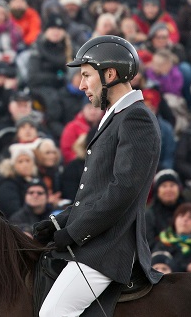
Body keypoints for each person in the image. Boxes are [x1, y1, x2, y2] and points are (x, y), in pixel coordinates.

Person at [34, 35, 162, 317]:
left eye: (86, 75)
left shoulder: (135, 118)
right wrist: (58, 222)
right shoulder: (114, 115)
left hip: (109, 248)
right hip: (96, 241)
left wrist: (75, 232)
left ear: (110, 74)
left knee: (54, 314)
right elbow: (94, 192)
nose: (81, 85)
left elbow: (122, 191)